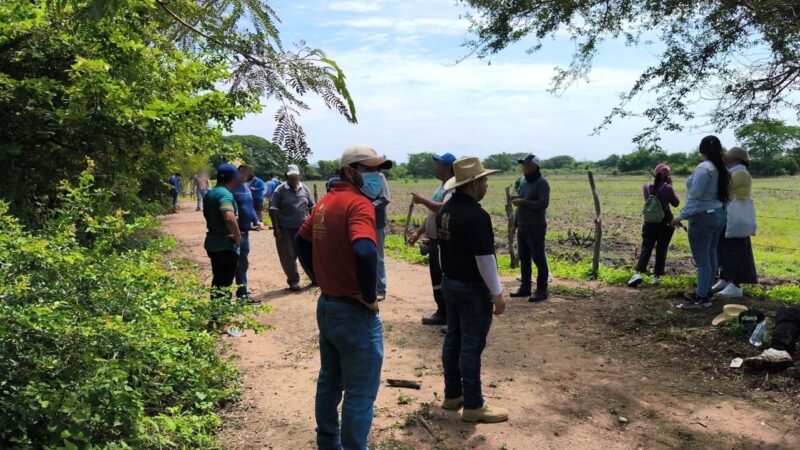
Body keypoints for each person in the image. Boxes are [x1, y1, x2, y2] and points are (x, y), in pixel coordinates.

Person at [295, 144, 392, 450]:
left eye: (378, 169)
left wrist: (318, 277)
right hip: (353, 311)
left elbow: (301, 240)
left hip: (328, 306)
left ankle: (327, 441)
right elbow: (365, 251)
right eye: (369, 169)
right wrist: (368, 295)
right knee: (360, 392)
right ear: (350, 171)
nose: (375, 175)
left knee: (330, 381)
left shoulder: (326, 202)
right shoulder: (359, 205)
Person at [436, 156, 508, 423]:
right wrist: (497, 294)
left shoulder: (445, 210)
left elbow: (441, 250)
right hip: (472, 290)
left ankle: (452, 395)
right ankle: (474, 404)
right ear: (474, 184)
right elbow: (485, 259)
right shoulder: (477, 216)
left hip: (450, 283)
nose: (486, 185)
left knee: (453, 339)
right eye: (484, 181)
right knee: (471, 346)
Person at [674, 135, 730, 309]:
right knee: (711, 254)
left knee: (702, 259)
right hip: (718, 214)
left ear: (701, 150)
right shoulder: (721, 169)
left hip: (702, 217)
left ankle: (701, 297)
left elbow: (695, 196)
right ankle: (706, 291)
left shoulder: (703, 168)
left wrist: (680, 216)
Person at [407, 153, 457, 326]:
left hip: (444, 243)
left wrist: (423, 200)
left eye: (439, 165)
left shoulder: (452, 188)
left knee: (444, 279)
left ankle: (449, 315)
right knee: (436, 278)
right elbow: (431, 215)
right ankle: (441, 311)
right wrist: (419, 233)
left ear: (448, 168)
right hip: (435, 241)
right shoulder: (440, 187)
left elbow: (443, 208)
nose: (436, 168)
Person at [714, 147, 758, 298]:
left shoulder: (740, 173)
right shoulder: (735, 172)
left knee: (735, 249)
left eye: (728, 157)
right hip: (730, 216)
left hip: (735, 217)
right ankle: (725, 278)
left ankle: (735, 284)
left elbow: (724, 188)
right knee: (725, 248)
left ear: (736, 159)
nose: (725, 159)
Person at [203, 163, 242, 329]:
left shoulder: (210, 193)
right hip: (225, 245)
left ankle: (216, 317)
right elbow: (228, 216)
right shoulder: (225, 194)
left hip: (213, 242)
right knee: (224, 283)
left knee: (218, 281)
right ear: (232, 178)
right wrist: (237, 236)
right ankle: (221, 321)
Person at [627, 164, 681, 287]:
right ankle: (657, 277)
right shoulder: (668, 188)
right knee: (662, 249)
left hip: (649, 222)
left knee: (646, 247)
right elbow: (676, 203)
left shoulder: (646, 187)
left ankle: (638, 273)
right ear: (667, 176)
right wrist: (670, 186)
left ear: (654, 174)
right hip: (665, 222)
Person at [510, 154, 551, 302]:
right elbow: (518, 206)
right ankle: (525, 287)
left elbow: (543, 203)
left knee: (539, 258)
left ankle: (542, 290)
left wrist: (523, 202)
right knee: (524, 258)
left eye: (527, 165)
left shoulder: (542, 183)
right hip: (522, 225)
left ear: (535, 166)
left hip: (536, 226)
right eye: (523, 165)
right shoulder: (522, 182)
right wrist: (515, 224)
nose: (524, 167)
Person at [269, 164, 315, 291]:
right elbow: (273, 209)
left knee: (307, 254)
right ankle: (293, 281)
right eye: (291, 177)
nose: (294, 178)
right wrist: (276, 228)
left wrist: (314, 224)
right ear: (286, 177)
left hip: (303, 228)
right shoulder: (280, 190)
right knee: (288, 256)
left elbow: (312, 207)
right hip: (285, 229)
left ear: (299, 176)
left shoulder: (304, 188)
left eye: (295, 176)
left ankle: (314, 278)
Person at [233, 165, 263, 300]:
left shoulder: (246, 188)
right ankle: (237, 294)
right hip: (234, 234)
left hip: (245, 233)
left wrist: (256, 220)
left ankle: (242, 291)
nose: (244, 176)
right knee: (236, 264)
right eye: (241, 173)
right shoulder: (230, 190)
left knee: (243, 264)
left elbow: (250, 207)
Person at [372, 172, 391, 300]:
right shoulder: (357, 176)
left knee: (378, 257)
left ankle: (380, 288)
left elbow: (385, 198)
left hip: (377, 223)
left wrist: (368, 206)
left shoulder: (379, 177)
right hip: (360, 221)